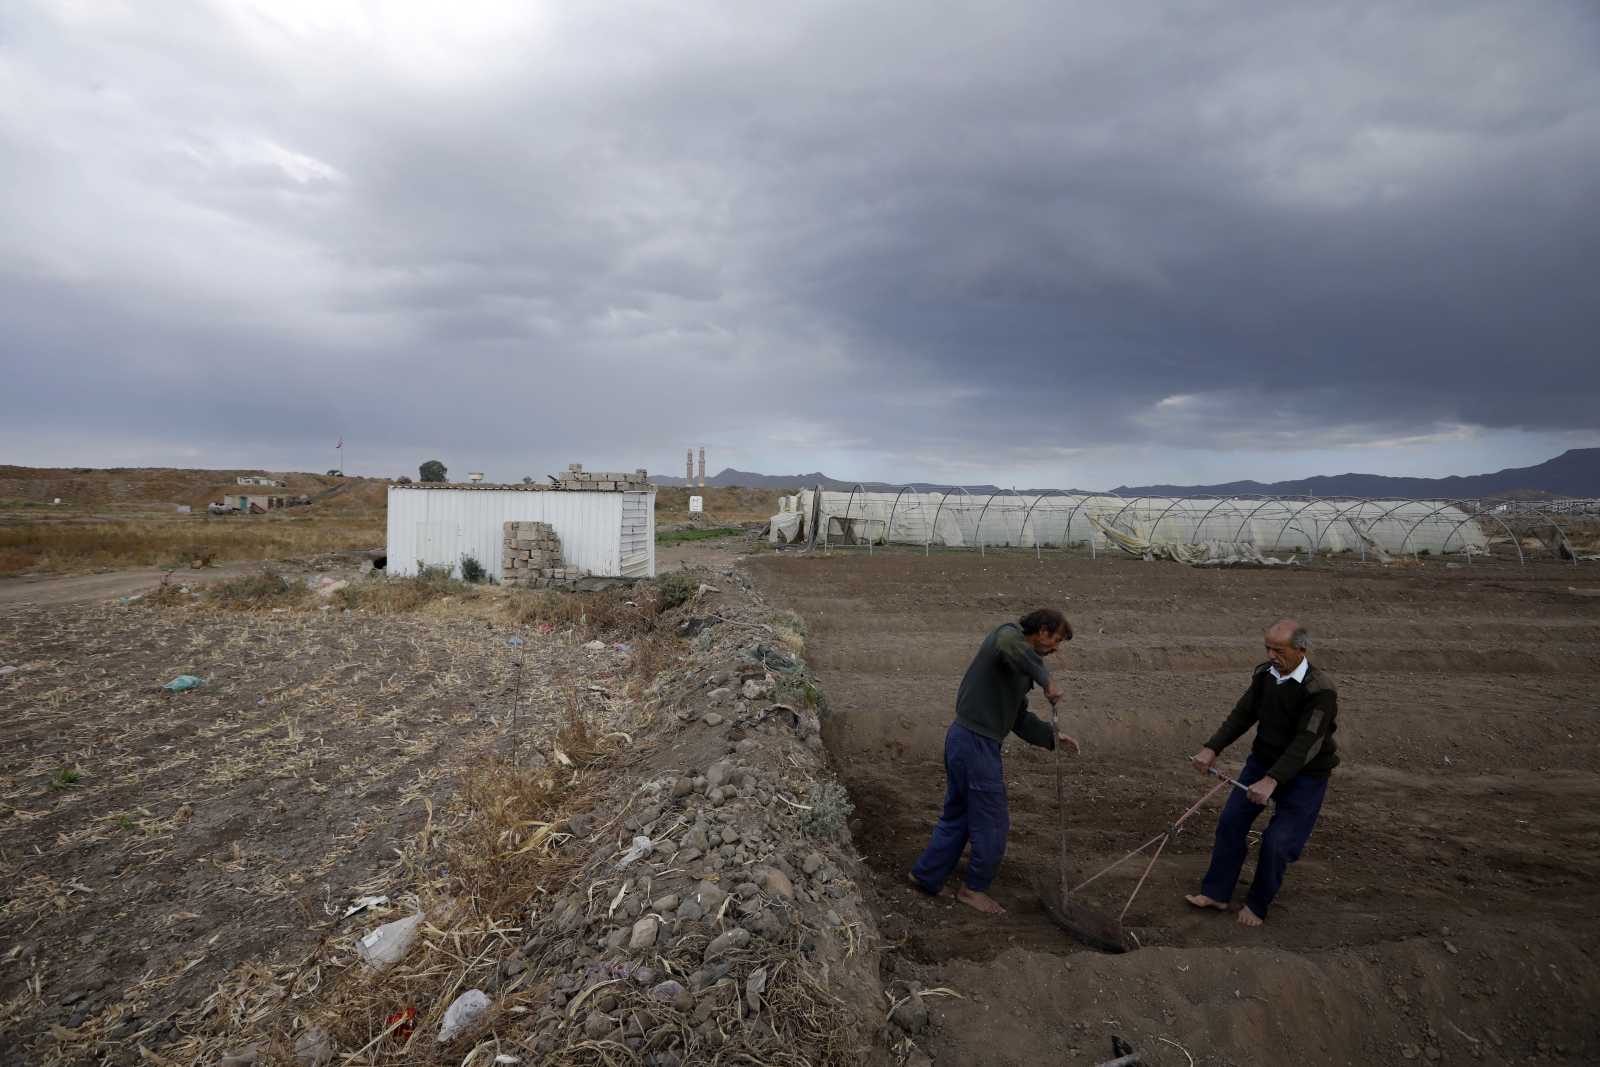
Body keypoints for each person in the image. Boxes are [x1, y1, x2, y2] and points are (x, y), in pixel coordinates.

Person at [908, 608, 1079, 915]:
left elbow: (1018, 716)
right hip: (975, 744)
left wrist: (1053, 737)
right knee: (992, 822)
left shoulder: (1021, 668)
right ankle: (973, 890)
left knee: (959, 815)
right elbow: (1009, 644)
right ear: (1041, 631)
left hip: (964, 739)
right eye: (1055, 641)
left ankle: (925, 874)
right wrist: (1047, 680)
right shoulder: (1008, 636)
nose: (1056, 649)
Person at [1186, 619, 1338, 926]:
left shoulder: (1320, 690)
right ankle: (1216, 893)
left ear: (1301, 650)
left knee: (1277, 842)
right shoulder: (1265, 675)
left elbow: (1306, 743)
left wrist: (1272, 780)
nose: (1271, 655)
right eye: (1267, 648)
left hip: (1306, 776)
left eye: (1278, 650)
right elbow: (1243, 714)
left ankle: (1256, 905)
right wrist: (1212, 748)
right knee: (1230, 823)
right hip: (1262, 763)